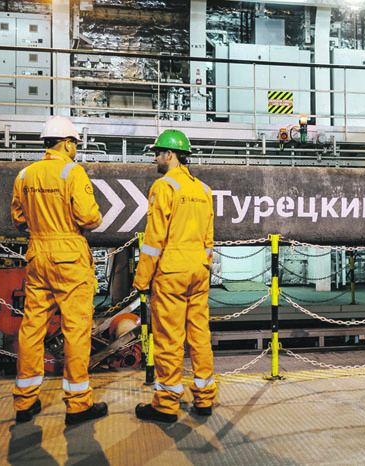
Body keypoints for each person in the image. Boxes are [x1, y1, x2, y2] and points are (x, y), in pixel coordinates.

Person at [11, 115, 108, 426]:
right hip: (69, 256)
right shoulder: (72, 171)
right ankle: (78, 404)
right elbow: (89, 218)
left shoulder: (25, 174)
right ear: (66, 143)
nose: (75, 148)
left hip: (37, 254)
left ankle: (25, 402)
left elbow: (18, 219)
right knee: (76, 329)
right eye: (74, 143)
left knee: (32, 328)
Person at [133, 129, 217, 423]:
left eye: (158, 153)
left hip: (172, 270)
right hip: (199, 269)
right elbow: (209, 237)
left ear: (170, 154)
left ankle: (166, 404)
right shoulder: (203, 189)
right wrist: (203, 265)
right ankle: (205, 398)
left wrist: (142, 279)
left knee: (169, 338)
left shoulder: (164, 185)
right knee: (199, 334)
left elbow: (154, 238)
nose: (155, 158)